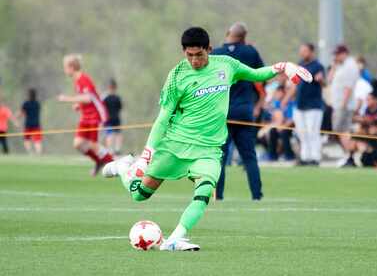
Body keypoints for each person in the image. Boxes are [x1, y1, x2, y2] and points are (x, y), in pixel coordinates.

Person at [102, 27, 310, 251]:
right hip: (174, 145)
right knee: (139, 195)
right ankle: (124, 168)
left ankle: (174, 239)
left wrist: (284, 67)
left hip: (209, 149)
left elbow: (257, 74)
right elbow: (162, 120)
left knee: (205, 191)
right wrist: (145, 156)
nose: (194, 60)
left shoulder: (226, 65)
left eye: (199, 55)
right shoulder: (176, 77)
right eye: (189, 55)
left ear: (209, 49)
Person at [211, 22, 265, 200]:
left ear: (228, 33)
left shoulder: (216, 54)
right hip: (244, 112)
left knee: (220, 158)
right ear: (244, 37)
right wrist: (258, 102)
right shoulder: (250, 52)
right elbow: (263, 76)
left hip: (222, 114)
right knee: (249, 157)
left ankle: (218, 196)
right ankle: (256, 196)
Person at [58, 54, 113, 176]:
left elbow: (88, 98)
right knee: (77, 144)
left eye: (65, 67)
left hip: (95, 116)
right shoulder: (77, 80)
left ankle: (113, 164)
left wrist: (67, 99)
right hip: (85, 116)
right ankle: (99, 161)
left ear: (72, 67)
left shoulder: (83, 79)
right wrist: (78, 105)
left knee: (94, 145)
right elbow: (88, 98)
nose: (65, 70)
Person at [283, 43, 325, 165]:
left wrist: (321, 80)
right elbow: (295, 85)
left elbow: (325, 83)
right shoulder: (300, 65)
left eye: (305, 51)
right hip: (299, 105)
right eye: (301, 51)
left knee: (313, 132)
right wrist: (286, 99)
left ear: (311, 52)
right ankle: (305, 157)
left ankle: (315, 158)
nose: (302, 53)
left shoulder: (318, 66)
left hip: (314, 106)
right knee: (301, 133)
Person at [327, 44, 360, 164]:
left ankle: (351, 155)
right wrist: (334, 66)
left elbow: (348, 87)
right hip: (337, 104)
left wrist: (343, 105)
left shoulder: (350, 66)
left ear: (344, 53)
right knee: (339, 131)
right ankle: (348, 155)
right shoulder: (340, 66)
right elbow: (329, 80)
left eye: (337, 54)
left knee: (342, 131)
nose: (336, 57)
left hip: (344, 105)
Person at [17, 88, 43, 154]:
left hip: (28, 124)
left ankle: (30, 153)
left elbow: (21, 113)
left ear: (28, 95)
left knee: (26, 139)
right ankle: (38, 153)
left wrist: (16, 117)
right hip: (36, 124)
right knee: (37, 140)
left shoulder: (26, 103)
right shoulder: (37, 103)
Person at [103, 78, 123, 155]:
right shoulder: (116, 98)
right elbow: (120, 107)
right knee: (113, 134)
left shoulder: (107, 98)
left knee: (112, 134)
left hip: (111, 119)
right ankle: (114, 149)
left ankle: (114, 150)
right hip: (112, 119)